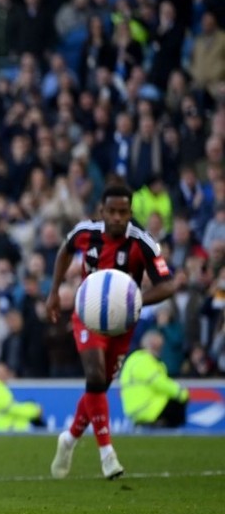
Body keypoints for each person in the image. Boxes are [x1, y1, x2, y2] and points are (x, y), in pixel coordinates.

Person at [47, 184, 175, 480]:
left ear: (130, 213)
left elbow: (168, 284)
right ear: (101, 212)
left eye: (124, 212)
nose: (118, 217)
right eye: (112, 212)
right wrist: (54, 292)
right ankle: (107, 454)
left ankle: (69, 438)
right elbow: (64, 252)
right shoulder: (84, 233)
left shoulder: (142, 242)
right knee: (94, 375)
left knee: (99, 386)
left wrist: (137, 300)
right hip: (88, 315)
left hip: (121, 324)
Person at [119, 330, 189, 428]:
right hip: (147, 407)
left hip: (134, 409)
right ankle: (164, 428)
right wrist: (181, 392)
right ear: (153, 343)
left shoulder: (134, 359)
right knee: (177, 401)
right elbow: (159, 382)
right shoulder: (145, 360)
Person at [0, 362, 45, 432]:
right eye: (6, 371)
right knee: (25, 419)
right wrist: (35, 410)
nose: (7, 374)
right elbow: (12, 408)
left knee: (24, 416)